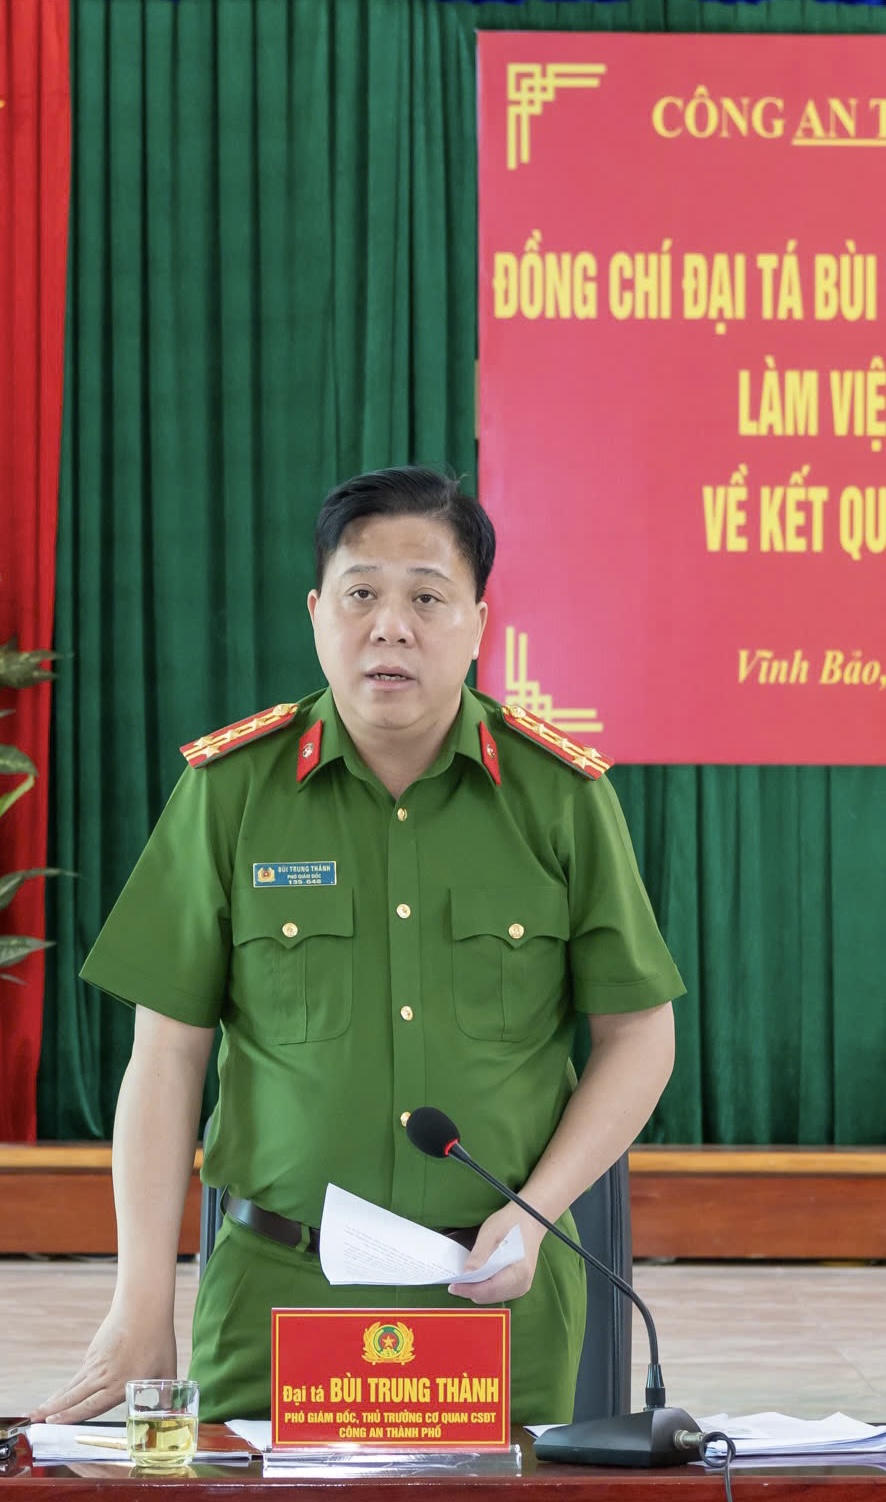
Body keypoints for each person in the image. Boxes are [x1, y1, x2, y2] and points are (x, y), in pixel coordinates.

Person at [33, 465, 682, 1427]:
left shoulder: (561, 797)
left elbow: (639, 1034)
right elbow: (166, 1059)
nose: (391, 628)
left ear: (478, 623)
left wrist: (538, 1208)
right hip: (277, 1298)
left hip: (495, 1298)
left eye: (427, 598)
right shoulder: (230, 791)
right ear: (316, 614)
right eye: (362, 594)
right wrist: (139, 1305)